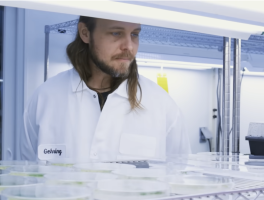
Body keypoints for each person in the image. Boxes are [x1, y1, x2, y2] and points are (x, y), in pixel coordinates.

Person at [21, 16, 191, 163]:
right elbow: (28, 180)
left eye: (135, 34)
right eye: (116, 33)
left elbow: (180, 179)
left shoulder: (162, 105)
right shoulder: (45, 98)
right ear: (85, 33)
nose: (129, 46)